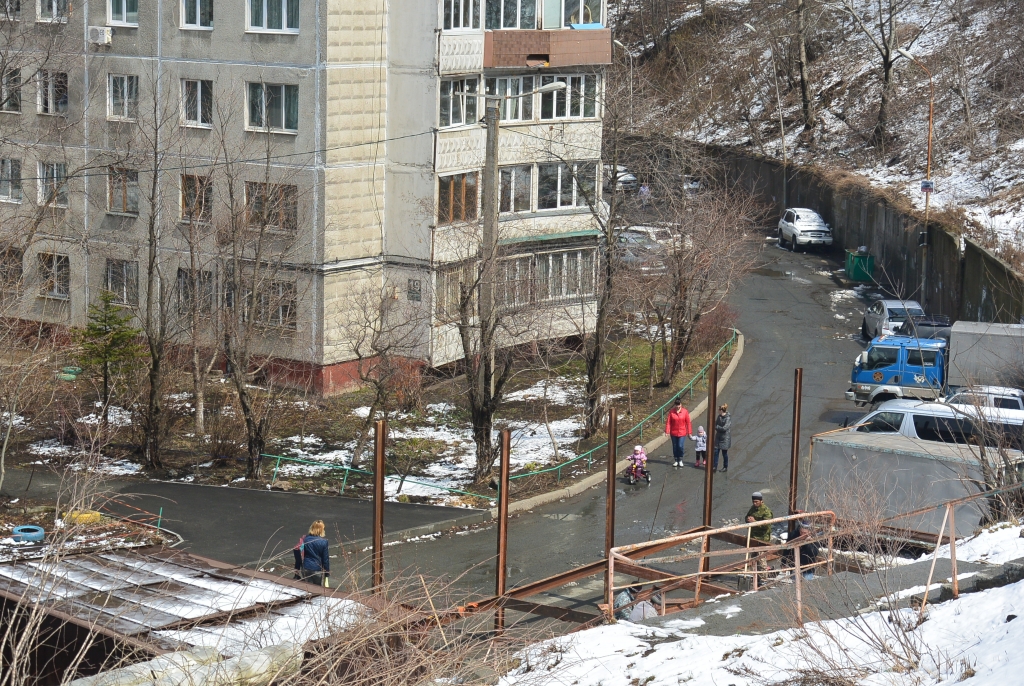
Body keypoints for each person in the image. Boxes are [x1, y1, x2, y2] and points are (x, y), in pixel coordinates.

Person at [293, 520, 330, 587]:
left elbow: (298, 552)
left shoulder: (305, 539)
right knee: (317, 588)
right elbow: (325, 559)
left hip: (306, 567)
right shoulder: (324, 542)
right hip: (317, 568)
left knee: (307, 587)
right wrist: (327, 572)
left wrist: (297, 568)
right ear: (322, 530)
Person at [746, 492, 773, 575]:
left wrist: (755, 522)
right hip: (753, 537)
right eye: (753, 502)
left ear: (761, 501)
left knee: (761, 559)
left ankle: (764, 577)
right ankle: (755, 577)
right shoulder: (753, 508)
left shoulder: (766, 511)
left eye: (756, 502)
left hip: (762, 538)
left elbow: (767, 525)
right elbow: (747, 516)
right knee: (753, 558)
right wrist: (748, 519)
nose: (755, 503)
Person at [665, 399, 692, 468]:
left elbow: (688, 422)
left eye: (679, 405)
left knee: (680, 446)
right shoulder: (671, 412)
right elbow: (668, 422)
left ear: (681, 404)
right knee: (675, 446)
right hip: (673, 432)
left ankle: (680, 459)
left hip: (682, 432)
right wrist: (667, 431)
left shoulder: (685, 412)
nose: (678, 406)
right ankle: (676, 460)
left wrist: (689, 432)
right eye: (676, 405)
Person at [713, 404, 732, 472]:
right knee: (716, 452)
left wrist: (717, 427)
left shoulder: (728, 418)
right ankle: (714, 466)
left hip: (725, 438)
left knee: (724, 453)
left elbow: (725, 428)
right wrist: (716, 426)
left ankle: (725, 466)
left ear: (721, 410)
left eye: (718, 410)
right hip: (718, 437)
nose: (717, 411)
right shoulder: (719, 416)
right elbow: (715, 424)